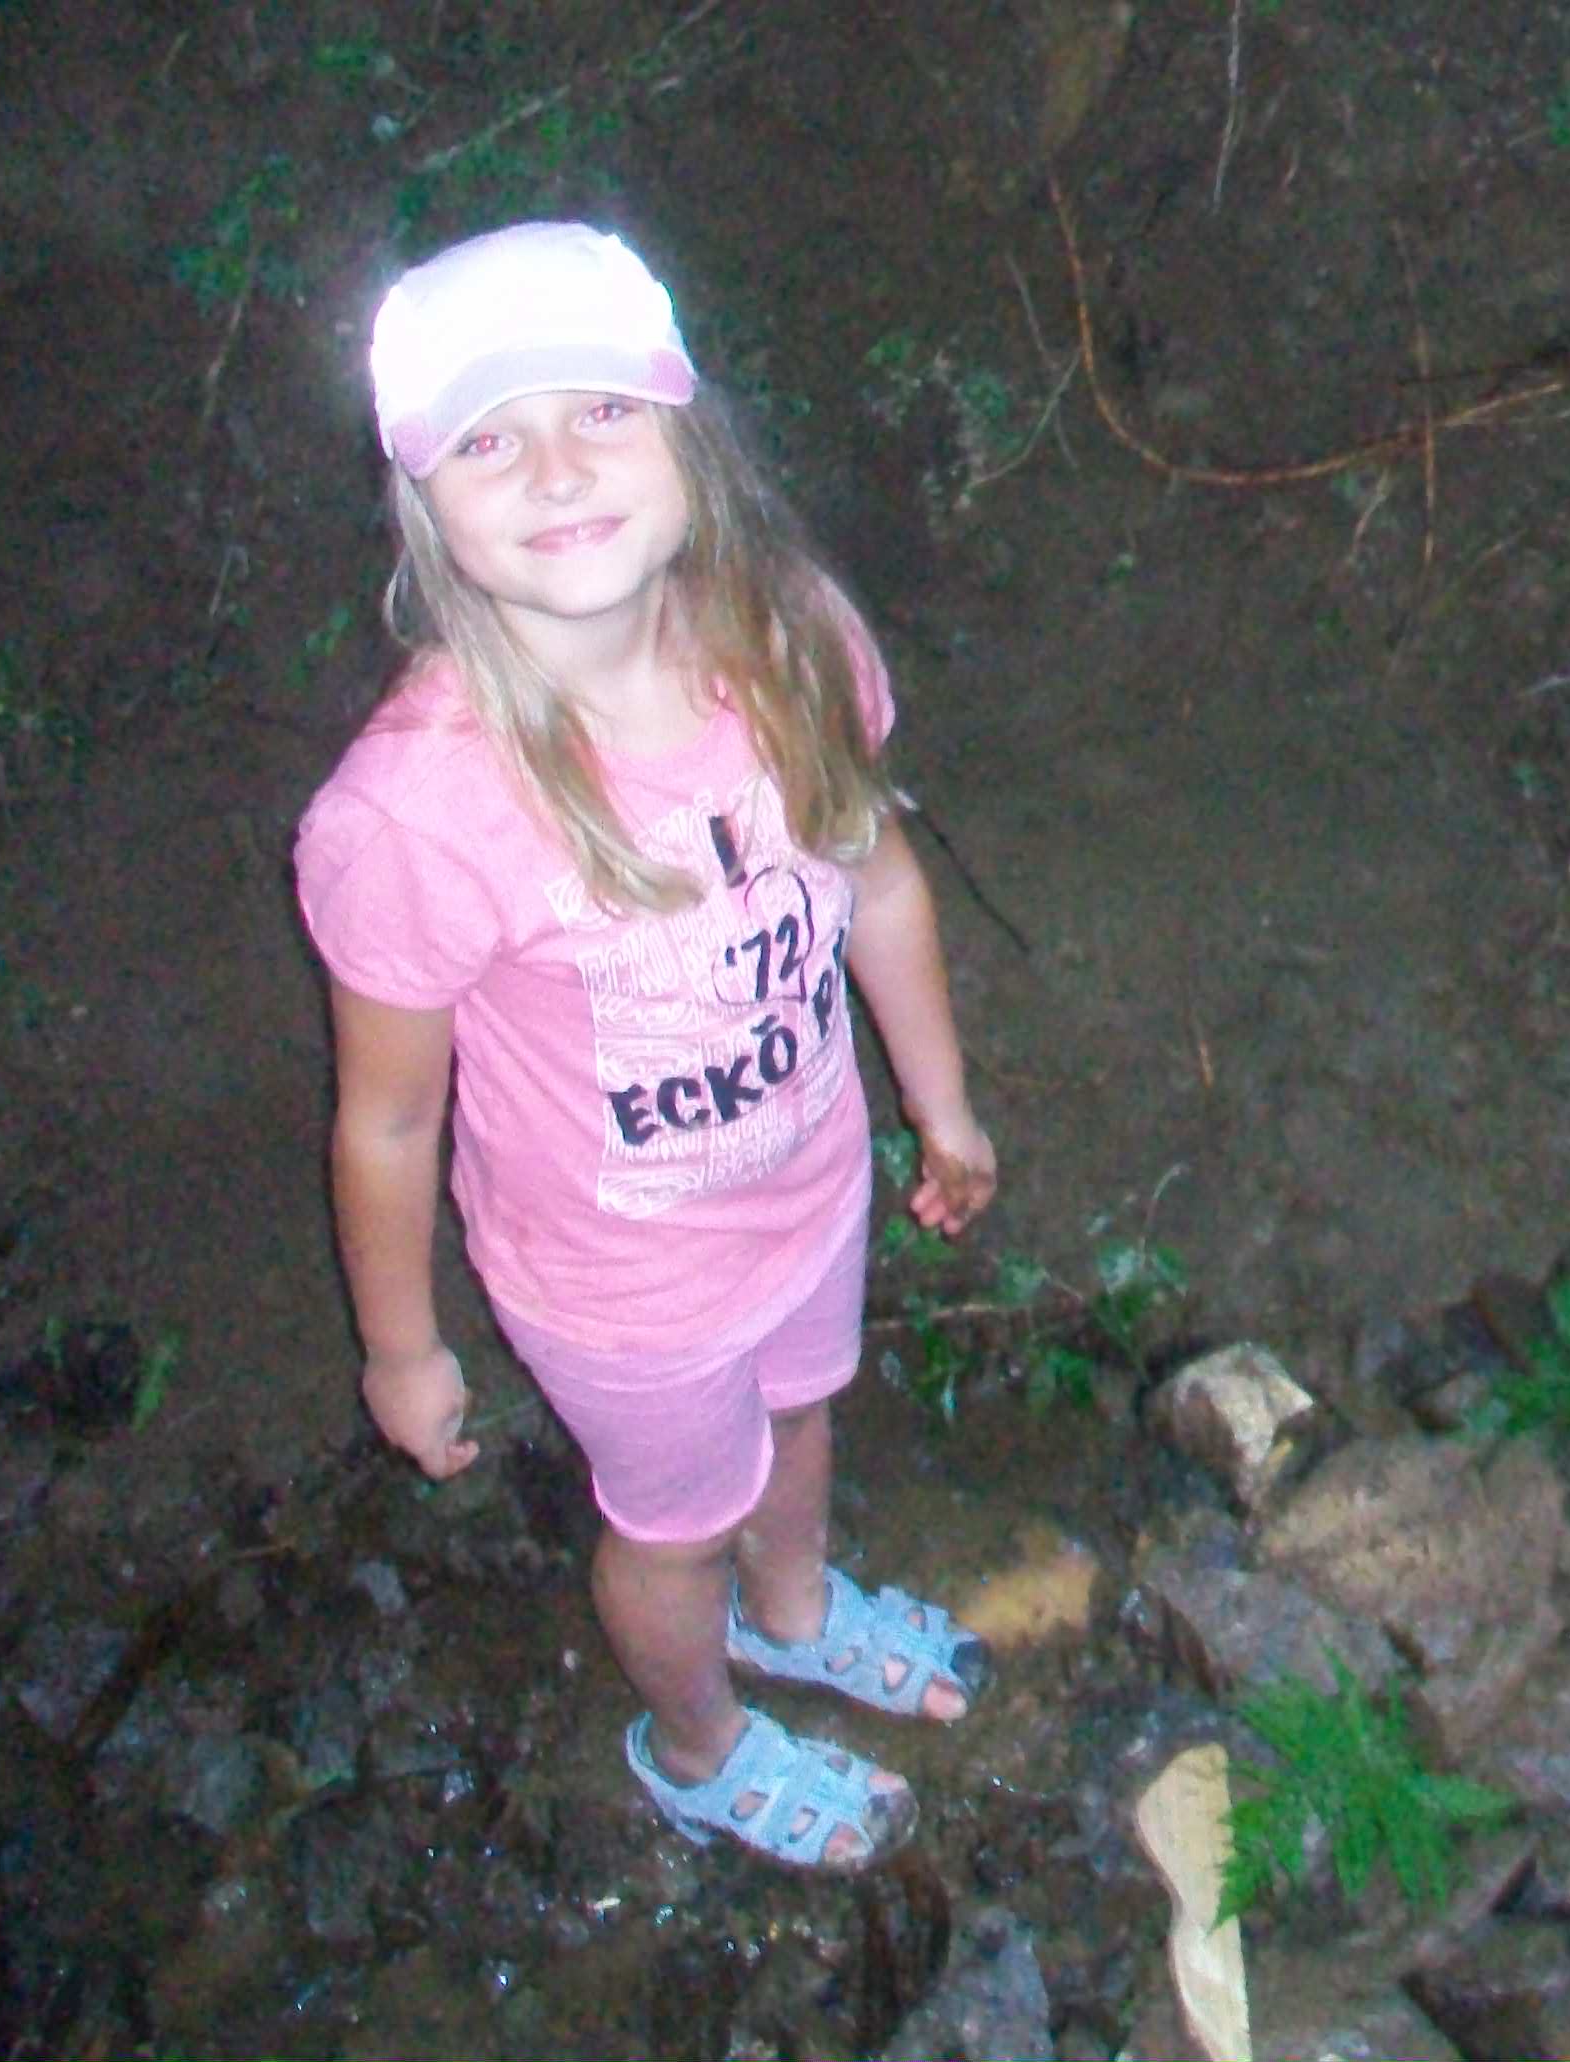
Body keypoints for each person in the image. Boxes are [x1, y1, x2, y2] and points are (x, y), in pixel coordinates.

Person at [297, 221, 997, 1872]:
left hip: (809, 1179)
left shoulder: (792, 639)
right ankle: (697, 1742)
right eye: (490, 440)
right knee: (674, 1524)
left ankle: (796, 1606)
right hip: (617, 1284)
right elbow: (387, 1122)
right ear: (426, 504)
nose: (556, 468)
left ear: (689, 431)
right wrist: (403, 1348)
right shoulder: (413, 812)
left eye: (601, 409)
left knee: (803, 1417)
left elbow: (878, 877)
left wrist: (941, 1104)